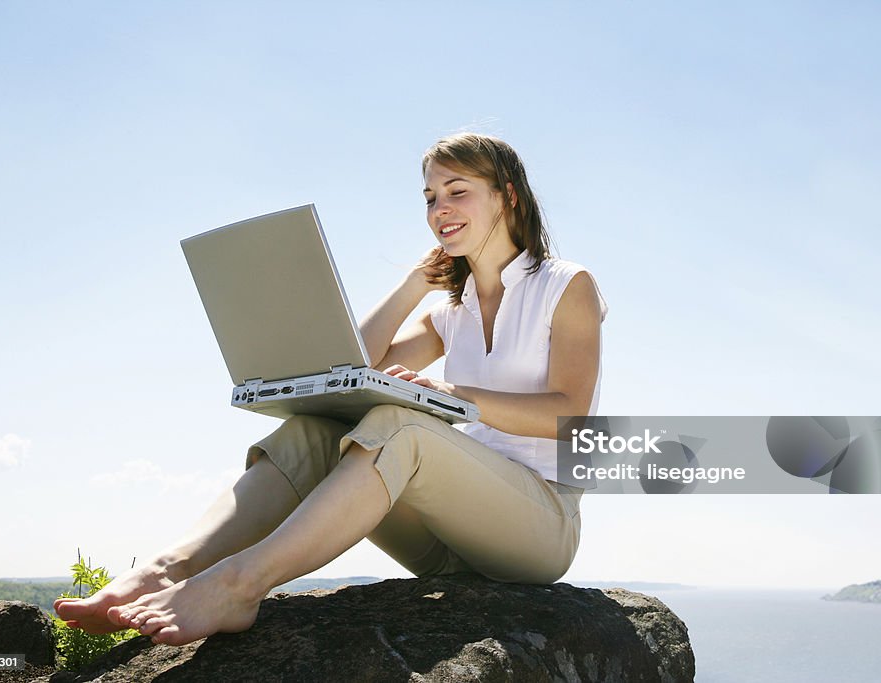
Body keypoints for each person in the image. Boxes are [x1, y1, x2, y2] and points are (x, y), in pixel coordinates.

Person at [54, 133, 607, 646]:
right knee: (315, 432)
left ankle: (240, 585)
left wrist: (449, 393)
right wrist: (415, 283)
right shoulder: (450, 313)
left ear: (507, 197)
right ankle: (167, 569)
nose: (440, 209)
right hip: (449, 540)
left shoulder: (566, 285)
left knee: (402, 429)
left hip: (540, 525)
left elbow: (571, 413)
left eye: (458, 192)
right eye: (430, 197)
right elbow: (351, 366)